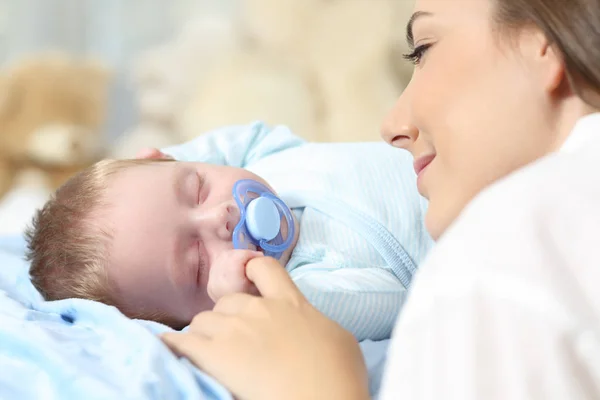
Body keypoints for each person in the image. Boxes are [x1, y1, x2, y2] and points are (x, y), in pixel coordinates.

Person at [160, 0, 600, 399]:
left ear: (538, 43)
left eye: (423, 49)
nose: (390, 126)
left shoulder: (492, 266)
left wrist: (315, 389)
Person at [25, 122, 433, 341]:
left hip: (452, 151)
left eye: (196, 187)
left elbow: (244, 138)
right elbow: (386, 305)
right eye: (199, 262)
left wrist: (175, 158)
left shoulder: (267, 160)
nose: (218, 217)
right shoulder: (303, 287)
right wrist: (254, 300)